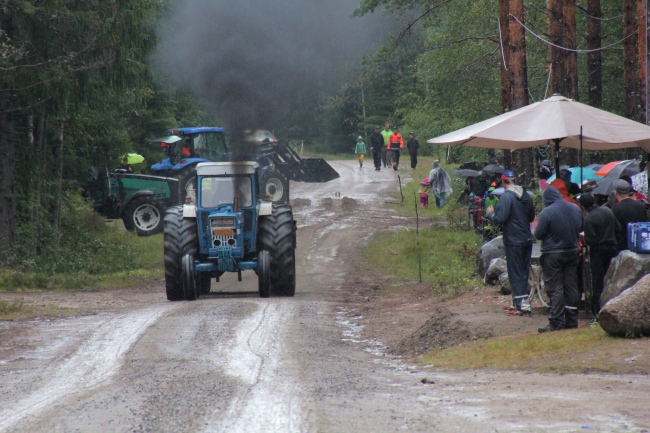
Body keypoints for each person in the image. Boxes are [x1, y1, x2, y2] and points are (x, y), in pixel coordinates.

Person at [486, 169, 536, 315]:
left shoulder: (506, 197)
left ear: (503, 181)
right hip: (527, 239)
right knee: (523, 271)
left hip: (514, 240)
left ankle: (523, 306)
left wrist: (490, 213)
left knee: (515, 272)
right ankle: (517, 302)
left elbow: (499, 219)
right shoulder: (525, 195)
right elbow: (531, 217)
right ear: (514, 179)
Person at [534, 186, 583, 332]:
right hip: (572, 252)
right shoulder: (575, 209)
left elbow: (539, 234)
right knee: (571, 286)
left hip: (553, 253)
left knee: (555, 288)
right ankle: (572, 320)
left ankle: (556, 321)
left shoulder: (547, 212)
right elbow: (581, 227)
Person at [579, 193, 620, 320]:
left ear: (582, 206)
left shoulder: (589, 219)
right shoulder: (608, 211)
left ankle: (597, 310)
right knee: (613, 278)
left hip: (598, 252)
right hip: (612, 247)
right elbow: (618, 228)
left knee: (597, 281)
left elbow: (591, 240)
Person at [611, 179, 647, 252]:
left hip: (622, 246)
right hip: (639, 244)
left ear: (615, 192)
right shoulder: (640, 205)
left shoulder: (615, 209)